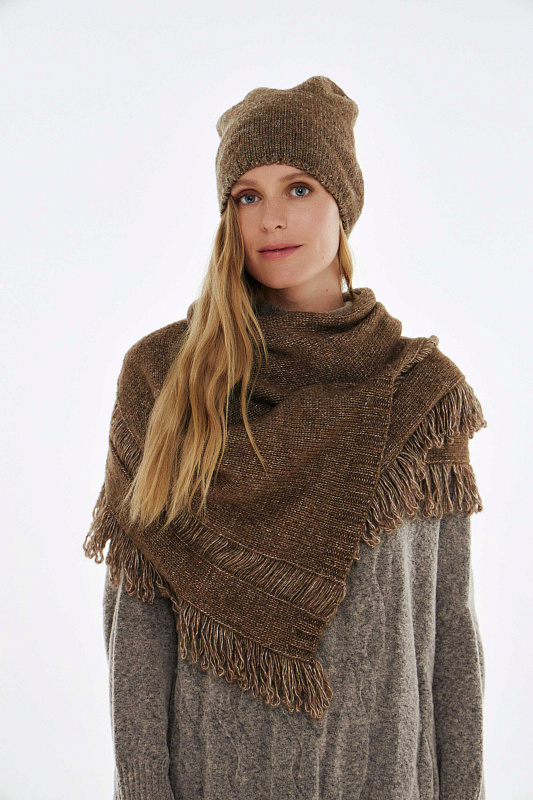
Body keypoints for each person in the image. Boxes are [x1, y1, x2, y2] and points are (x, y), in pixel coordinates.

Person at [84, 76, 487, 800]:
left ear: (343, 202)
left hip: (383, 775)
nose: (271, 218)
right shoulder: (164, 378)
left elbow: (448, 635)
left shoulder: (420, 393)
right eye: (247, 196)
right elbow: (135, 631)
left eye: (299, 188)